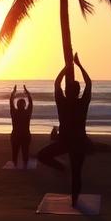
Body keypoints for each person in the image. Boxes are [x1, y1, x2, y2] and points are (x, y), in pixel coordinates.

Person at [38, 54, 94, 207]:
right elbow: (89, 84)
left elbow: (56, 84)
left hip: (66, 142)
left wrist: (66, 67)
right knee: (76, 173)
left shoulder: (62, 102)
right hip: (76, 142)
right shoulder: (82, 103)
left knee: (42, 156)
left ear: (67, 91)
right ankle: (74, 200)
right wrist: (79, 65)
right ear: (78, 91)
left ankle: (61, 168)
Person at [9, 84, 33, 168]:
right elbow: (31, 102)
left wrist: (13, 93)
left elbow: (11, 102)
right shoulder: (27, 113)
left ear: (17, 105)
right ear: (24, 105)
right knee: (24, 151)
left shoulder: (14, 113)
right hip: (25, 135)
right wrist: (27, 93)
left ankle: (15, 164)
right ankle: (24, 164)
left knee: (15, 151)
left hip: (16, 135)